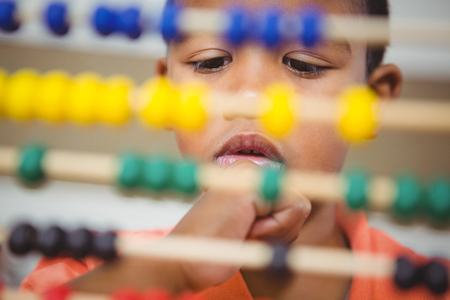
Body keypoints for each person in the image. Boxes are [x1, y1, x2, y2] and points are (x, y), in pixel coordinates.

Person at [21, 0, 450, 299]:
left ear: (373, 104)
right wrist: (174, 268)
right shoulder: (87, 275)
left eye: (304, 64)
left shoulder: (431, 288)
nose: (250, 99)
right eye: (210, 62)